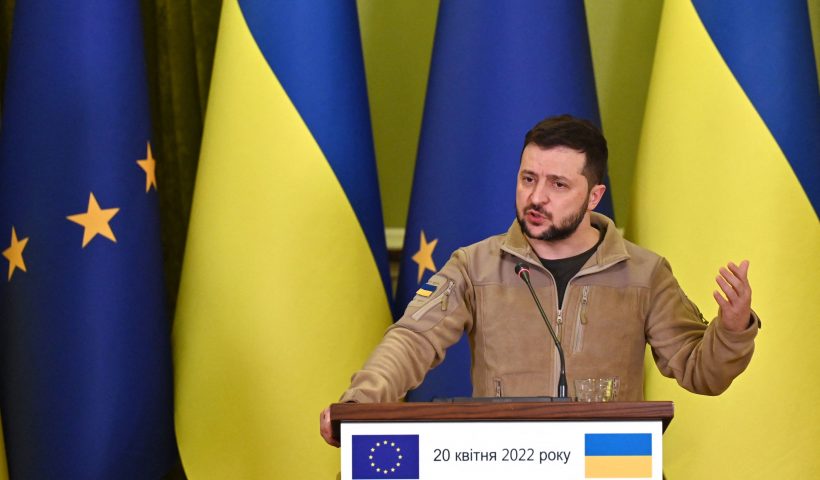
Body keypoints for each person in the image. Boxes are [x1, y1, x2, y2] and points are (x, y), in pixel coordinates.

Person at [320, 114, 758, 447]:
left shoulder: (644, 274)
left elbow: (702, 372)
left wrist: (733, 330)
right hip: (503, 459)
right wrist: (361, 403)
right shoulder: (475, 265)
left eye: (558, 184)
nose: (536, 197)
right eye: (528, 178)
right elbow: (412, 340)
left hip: (611, 462)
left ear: (594, 196)